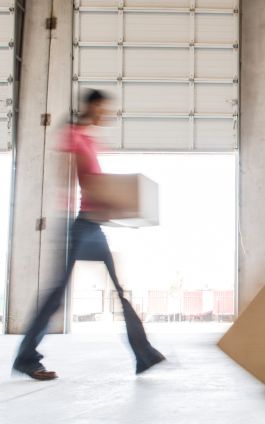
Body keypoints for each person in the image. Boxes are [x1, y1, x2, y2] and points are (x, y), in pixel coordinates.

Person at [12, 90, 165, 381]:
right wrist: (118, 205)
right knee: (57, 294)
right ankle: (25, 358)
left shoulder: (90, 140)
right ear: (92, 107)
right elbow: (86, 185)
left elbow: (96, 189)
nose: (106, 115)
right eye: (103, 109)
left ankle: (143, 353)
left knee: (118, 290)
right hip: (80, 227)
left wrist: (117, 210)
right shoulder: (74, 136)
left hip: (92, 225)